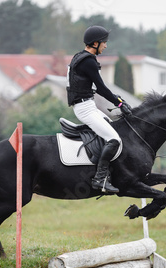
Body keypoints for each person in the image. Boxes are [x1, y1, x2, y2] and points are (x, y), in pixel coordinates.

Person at [66, 25, 133, 194]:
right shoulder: (88, 61)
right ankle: (100, 180)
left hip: (88, 105)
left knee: (114, 132)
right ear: (95, 43)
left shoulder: (79, 56)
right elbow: (102, 89)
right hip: (85, 109)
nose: (106, 46)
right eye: (104, 42)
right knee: (114, 139)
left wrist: (119, 101)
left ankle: (110, 174)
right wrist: (119, 103)